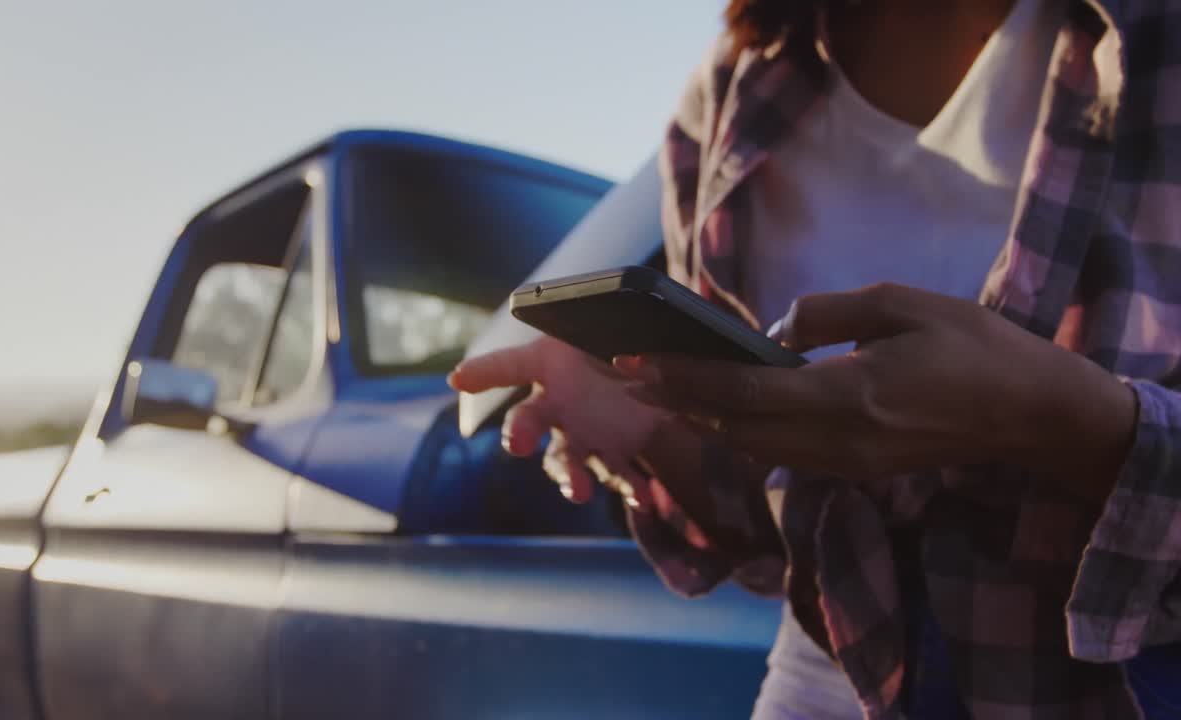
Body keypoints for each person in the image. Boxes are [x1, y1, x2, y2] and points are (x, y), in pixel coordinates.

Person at [450, 0, 1181, 717]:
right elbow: (779, 518)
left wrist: (1050, 417)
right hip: (830, 674)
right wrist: (652, 420)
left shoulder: (1152, 41)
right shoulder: (738, 78)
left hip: (1127, 680)